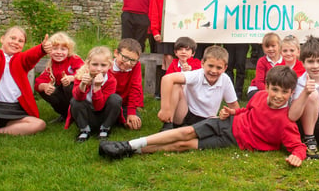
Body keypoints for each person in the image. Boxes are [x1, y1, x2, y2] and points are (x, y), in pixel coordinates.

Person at [98, 66, 307, 167]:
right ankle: (128, 144)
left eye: (284, 92)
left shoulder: (286, 121)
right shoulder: (260, 96)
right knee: (187, 131)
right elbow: (248, 110)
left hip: (233, 140)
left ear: (291, 93)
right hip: (227, 122)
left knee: (185, 145)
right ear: (267, 87)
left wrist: (297, 156)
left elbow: (298, 146)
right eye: (275, 89)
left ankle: (133, 152)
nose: (278, 96)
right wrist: (232, 111)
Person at [158, 45, 239, 128]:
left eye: (219, 68)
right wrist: (165, 109)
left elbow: (234, 105)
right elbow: (166, 79)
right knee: (176, 85)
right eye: (210, 66)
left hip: (208, 119)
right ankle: (168, 125)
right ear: (203, 63)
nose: (214, 71)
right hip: (186, 114)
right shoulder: (197, 74)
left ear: (225, 68)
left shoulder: (225, 80)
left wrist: (233, 119)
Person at [66, 46, 122, 142]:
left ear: (109, 66)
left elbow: (99, 106)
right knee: (74, 101)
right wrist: (83, 84)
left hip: (103, 114)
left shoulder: (111, 81)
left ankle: (105, 128)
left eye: (103, 65)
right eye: (95, 64)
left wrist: (97, 87)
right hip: (86, 115)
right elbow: (78, 98)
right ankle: (84, 130)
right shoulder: (81, 75)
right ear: (88, 64)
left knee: (116, 99)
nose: (99, 69)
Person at [35, 31, 83, 123]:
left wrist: (72, 78)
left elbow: (85, 72)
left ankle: (77, 114)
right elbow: (38, 82)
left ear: (68, 51)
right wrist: (44, 86)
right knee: (45, 90)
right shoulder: (50, 66)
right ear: (49, 51)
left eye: (63, 49)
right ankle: (65, 114)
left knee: (68, 85)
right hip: (63, 95)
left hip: (78, 94)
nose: (58, 52)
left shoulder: (74, 59)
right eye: (55, 49)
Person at [225, 0, 251, 99]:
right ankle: (228, 93)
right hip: (228, 35)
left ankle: (238, 93)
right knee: (228, 65)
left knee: (241, 65)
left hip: (243, 35)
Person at [111, 38, 144, 131]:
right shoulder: (107, 65)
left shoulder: (136, 66)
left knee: (134, 125)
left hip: (125, 103)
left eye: (133, 61)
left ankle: (120, 117)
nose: (128, 63)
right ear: (116, 53)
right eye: (125, 58)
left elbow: (135, 87)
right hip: (109, 102)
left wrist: (131, 112)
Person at [246, 32, 283, 100]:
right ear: (263, 48)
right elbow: (259, 82)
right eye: (267, 46)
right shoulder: (262, 61)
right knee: (261, 98)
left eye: (273, 46)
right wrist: (270, 93)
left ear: (279, 46)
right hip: (259, 88)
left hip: (279, 89)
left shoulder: (284, 61)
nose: (270, 49)